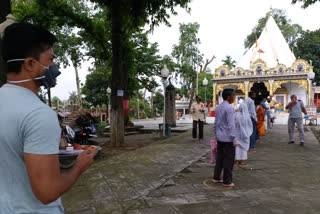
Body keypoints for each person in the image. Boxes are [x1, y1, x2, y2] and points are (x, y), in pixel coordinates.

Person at [0, 23, 96, 213]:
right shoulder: (38, 114)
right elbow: (47, 192)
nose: (55, 68)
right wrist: (79, 166)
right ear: (29, 64)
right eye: (50, 60)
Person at [213, 89, 238, 187]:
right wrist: (234, 138)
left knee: (219, 158)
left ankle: (216, 177)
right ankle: (227, 181)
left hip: (220, 137)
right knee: (228, 160)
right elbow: (231, 125)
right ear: (228, 97)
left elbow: (216, 122)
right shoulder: (229, 108)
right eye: (233, 96)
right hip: (228, 138)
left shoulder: (218, 107)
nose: (234, 98)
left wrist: (216, 133)